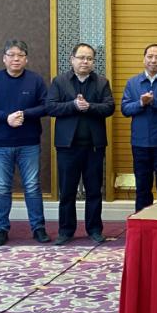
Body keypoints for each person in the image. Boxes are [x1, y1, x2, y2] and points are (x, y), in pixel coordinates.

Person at [0, 39, 50, 247]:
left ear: (26, 59)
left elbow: (46, 106)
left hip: (29, 143)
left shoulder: (35, 80)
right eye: (11, 55)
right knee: (1, 187)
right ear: (4, 59)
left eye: (20, 55)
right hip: (0, 144)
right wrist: (6, 118)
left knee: (32, 186)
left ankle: (38, 227)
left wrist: (25, 114)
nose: (16, 59)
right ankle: (1, 229)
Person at [46, 44, 114, 245]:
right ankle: (66, 230)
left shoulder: (101, 82)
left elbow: (109, 107)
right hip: (68, 146)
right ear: (72, 59)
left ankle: (94, 229)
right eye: (81, 57)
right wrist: (73, 105)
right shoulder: (59, 81)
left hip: (94, 146)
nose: (85, 62)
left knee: (94, 190)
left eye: (89, 58)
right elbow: (51, 107)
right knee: (67, 191)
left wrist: (89, 107)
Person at [120, 44, 157, 212]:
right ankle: (141, 221)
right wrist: (140, 103)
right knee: (142, 186)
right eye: (150, 56)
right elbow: (125, 109)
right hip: (139, 143)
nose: (153, 60)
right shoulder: (132, 82)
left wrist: (154, 102)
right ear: (144, 58)